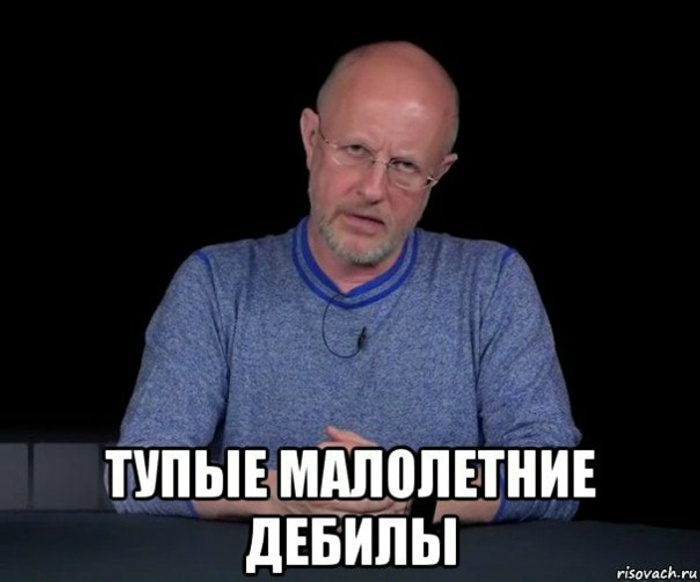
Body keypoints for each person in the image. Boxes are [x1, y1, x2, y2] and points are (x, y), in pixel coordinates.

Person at [111, 40, 581, 523]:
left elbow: (554, 475)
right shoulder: (216, 285)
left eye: (405, 166)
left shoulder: (492, 283)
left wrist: (412, 494)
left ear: (439, 174)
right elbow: (136, 474)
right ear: (311, 139)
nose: (373, 190)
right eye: (356, 150)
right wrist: (280, 493)